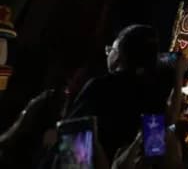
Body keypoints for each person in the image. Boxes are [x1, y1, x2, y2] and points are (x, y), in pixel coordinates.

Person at [66, 24, 172, 160]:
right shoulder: (154, 98)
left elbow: (72, 142)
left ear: (119, 56)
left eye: (111, 49)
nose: (108, 53)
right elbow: (154, 150)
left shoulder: (99, 87)